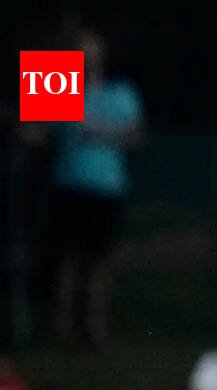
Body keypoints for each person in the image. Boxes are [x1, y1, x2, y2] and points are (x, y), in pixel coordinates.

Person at [41, 29, 144, 346]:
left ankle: (95, 327)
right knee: (67, 258)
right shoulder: (56, 83)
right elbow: (38, 132)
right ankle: (61, 326)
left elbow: (135, 135)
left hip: (106, 186)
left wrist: (104, 132)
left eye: (91, 50)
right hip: (68, 183)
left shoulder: (120, 92)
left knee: (98, 260)